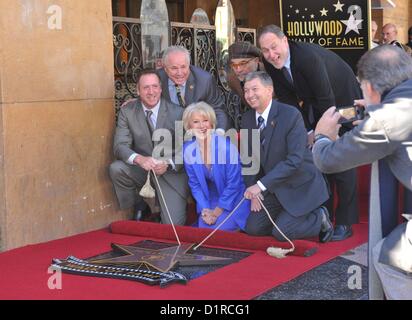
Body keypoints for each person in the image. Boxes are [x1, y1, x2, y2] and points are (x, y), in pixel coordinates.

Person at [312, 45, 412, 299]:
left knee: (389, 258)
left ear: (369, 87)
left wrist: (322, 136)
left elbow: (328, 160)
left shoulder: (388, 119)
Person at [258, 24, 362, 241]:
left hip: (345, 98)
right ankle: (325, 214)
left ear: (285, 40)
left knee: (342, 157)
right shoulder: (271, 65)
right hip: (316, 103)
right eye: (265, 50)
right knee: (319, 155)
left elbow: (327, 98)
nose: (271, 54)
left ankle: (345, 221)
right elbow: (288, 100)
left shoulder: (306, 57)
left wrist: (323, 133)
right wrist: (306, 130)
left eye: (274, 47)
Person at [241, 71, 333, 243]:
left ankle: (319, 217)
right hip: (273, 188)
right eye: (246, 90)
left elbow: (294, 161)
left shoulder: (290, 115)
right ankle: (285, 217)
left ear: (269, 90)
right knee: (253, 228)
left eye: (255, 89)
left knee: (281, 233)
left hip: (299, 186)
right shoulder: (247, 119)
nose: (249, 95)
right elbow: (248, 160)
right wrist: (254, 190)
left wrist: (260, 186)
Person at [109, 69, 189, 225]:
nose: (151, 92)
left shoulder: (178, 113)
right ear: (138, 91)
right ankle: (140, 203)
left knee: (172, 225)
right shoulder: (127, 111)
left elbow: (187, 148)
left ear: (161, 89)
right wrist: (140, 159)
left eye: (154, 86)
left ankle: (166, 206)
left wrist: (169, 163)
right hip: (143, 170)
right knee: (116, 168)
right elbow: (119, 146)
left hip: (171, 173)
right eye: (145, 87)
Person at [182, 102, 250, 231]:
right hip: (213, 195)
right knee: (205, 226)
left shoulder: (227, 148)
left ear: (212, 123)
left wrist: (217, 212)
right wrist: (205, 209)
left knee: (219, 229)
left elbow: (234, 184)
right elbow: (194, 184)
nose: (202, 126)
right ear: (189, 127)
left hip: (234, 196)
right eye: (196, 122)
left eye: (205, 120)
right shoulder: (188, 149)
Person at [157, 46, 229, 132]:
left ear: (189, 65)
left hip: (197, 133)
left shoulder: (204, 80)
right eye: (174, 68)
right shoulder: (157, 79)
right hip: (167, 133)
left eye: (183, 67)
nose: (179, 73)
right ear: (165, 68)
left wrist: (219, 132)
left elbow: (217, 109)